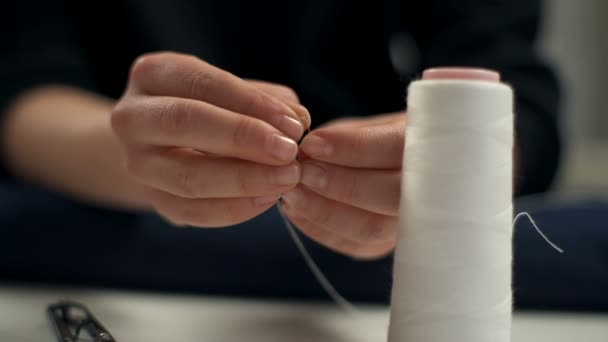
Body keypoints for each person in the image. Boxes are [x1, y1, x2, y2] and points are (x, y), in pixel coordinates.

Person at [0, 1, 560, 295]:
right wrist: (125, 151)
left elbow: (516, 103)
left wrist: (454, 156)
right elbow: (22, 86)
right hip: (99, 235)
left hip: (400, 252)